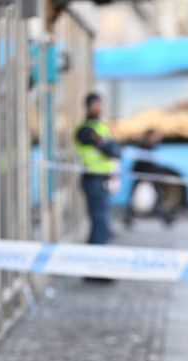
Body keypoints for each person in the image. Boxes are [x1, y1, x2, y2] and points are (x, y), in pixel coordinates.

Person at [76, 92, 120, 248]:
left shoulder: (101, 127)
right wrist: (108, 147)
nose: (99, 108)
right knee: (100, 225)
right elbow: (110, 149)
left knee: (103, 225)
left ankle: (95, 264)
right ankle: (93, 266)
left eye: (100, 104)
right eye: (96, 104)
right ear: (88, 106)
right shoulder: (86, 130)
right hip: (93, 180)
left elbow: (115, 150)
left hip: (103, 181)